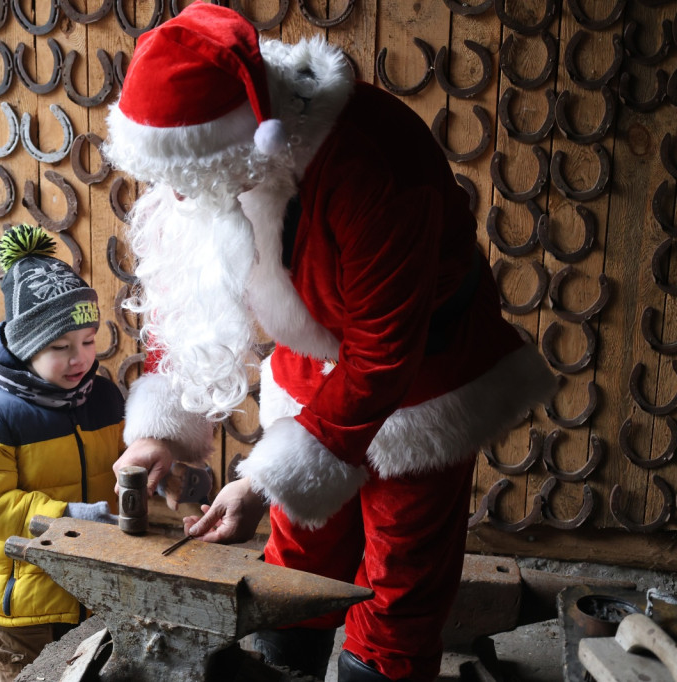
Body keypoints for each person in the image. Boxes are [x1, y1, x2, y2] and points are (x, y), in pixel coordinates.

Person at [103, 4, 557, 681]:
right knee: (301, 548)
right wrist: (161, 434)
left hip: (425, 375)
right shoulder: (207, 159)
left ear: (242, 144)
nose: (174, 193)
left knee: (400, 570)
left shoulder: (375, 169)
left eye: (185, 179)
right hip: (314, 360)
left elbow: (382, 355)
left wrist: (260, 480)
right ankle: (288, 665)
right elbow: (187, 290)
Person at [0, 224, 125, 682]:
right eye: (60, 348)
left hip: (94, 591)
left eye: (88, 342)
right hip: (23, 604)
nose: (80, 359)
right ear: (26, 349)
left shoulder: (103, 398)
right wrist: (67, 516)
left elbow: (125, 464)